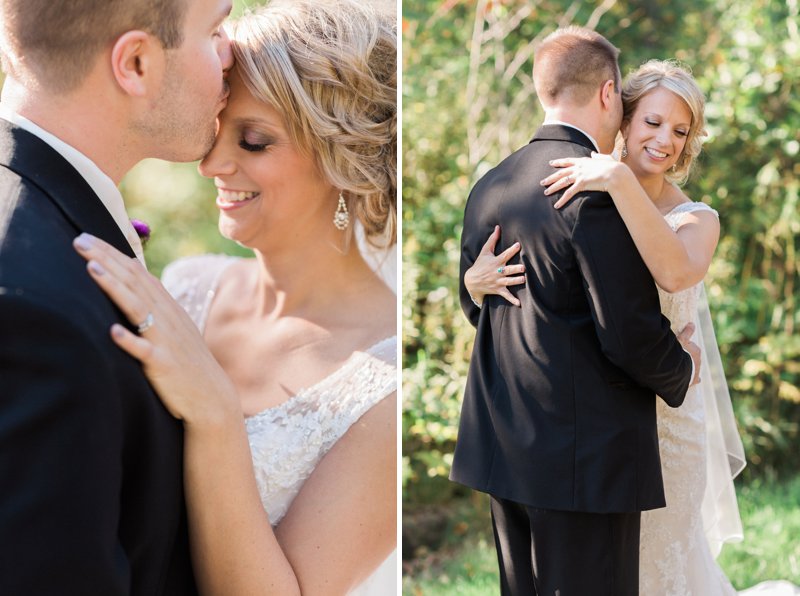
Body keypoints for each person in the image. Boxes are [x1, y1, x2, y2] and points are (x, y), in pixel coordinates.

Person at [72, 1, 398, 594]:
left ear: (343, 157)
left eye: (253, 141)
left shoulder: (386, 382)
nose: (213, 164)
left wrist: (216, 416)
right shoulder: (189, 286)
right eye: (218, 128)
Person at [466, 59, 749, 595]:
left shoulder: (696, 216)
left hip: (670, 407)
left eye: (680, 130)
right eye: (653, 122)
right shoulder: (574, 186)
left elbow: (675, 270)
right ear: (621, 114)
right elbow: (538, 285)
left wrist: (619, 179)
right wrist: (473, 286)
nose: (665, 139)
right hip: (586, 424)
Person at [0, 0, 232, 593]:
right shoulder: (35, 312)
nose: (233, 52)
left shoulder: (46, 226)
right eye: (214, 31)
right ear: (134, 63)